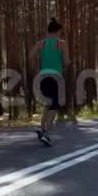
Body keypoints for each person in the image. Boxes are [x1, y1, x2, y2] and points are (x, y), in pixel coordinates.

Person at [29, 18, 70, 146]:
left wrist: (38, 70)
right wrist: (64, 66)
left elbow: (30, 56)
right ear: (58, 31)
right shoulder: (62, 43)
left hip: (43, 77)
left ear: (48, 31)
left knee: (49, 104)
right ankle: (45, 133)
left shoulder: (41, 43)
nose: (60, 34)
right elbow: (67, 61)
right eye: (60, 32)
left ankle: (42, 130)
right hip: (56, 77)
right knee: (54, 107)